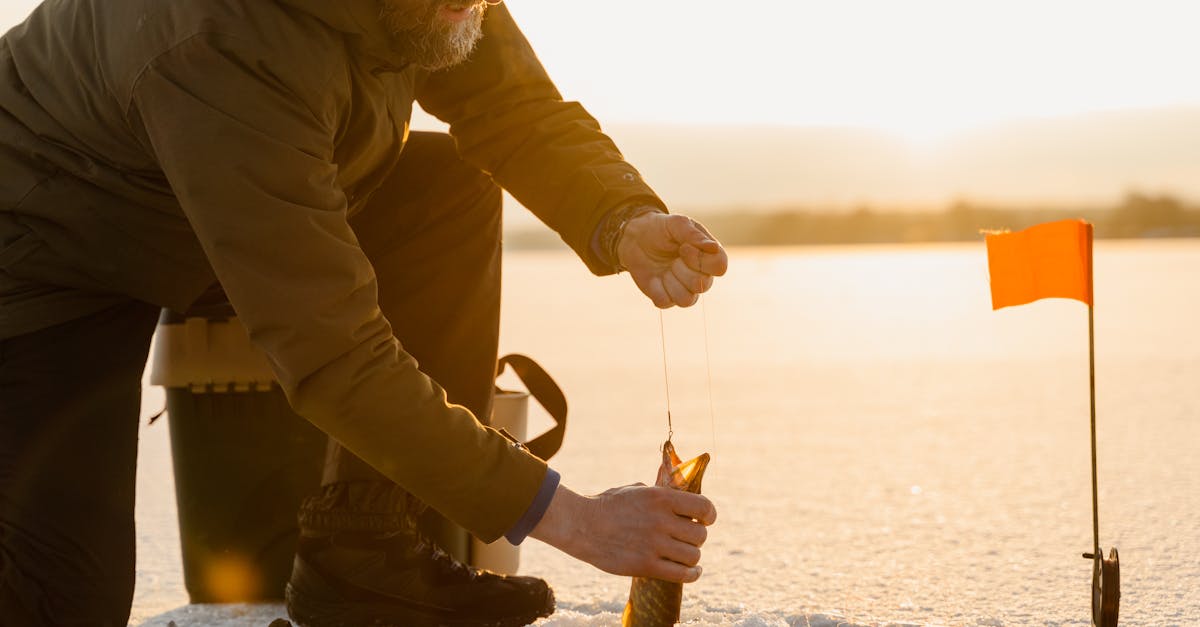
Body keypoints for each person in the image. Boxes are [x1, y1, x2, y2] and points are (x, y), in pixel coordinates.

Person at [0, 0, 728, 625]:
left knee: (444, 189)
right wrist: (575, 518)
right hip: (45, 255)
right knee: (60, 599)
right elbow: (335, 354)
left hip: (218, 209)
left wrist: (621, 218)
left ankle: (363, 551)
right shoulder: (217, 38)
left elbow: (511, 107)